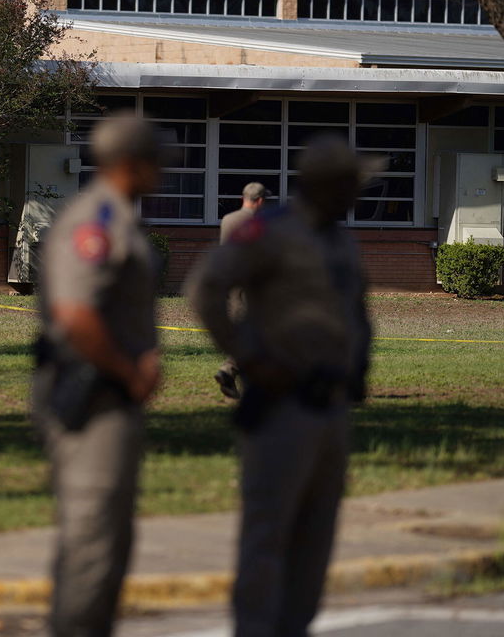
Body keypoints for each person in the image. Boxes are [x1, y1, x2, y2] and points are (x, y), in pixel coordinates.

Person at [185, 135, 376, 637]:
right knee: (269, 533)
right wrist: (247, 356)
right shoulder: (270, 230)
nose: (357, 193)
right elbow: (206, 289)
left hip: (332, 406)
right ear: (325, 185)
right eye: (350, 184)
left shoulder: (341, 239)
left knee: (316, 539)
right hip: (282, 405)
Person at [32, 112, 164, 637]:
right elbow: (76, 315)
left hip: (113, 397)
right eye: (157, 160)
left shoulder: (119, 216)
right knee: (92, 544)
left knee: (109, 543)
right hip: (92, 397)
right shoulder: (95, 222)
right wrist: (129, 370)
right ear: (133, 162)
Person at [214, 182, 271, 399]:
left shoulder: (228, 220)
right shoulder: (260, 222)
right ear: (260, 200)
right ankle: (230, 370)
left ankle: (234, 375)